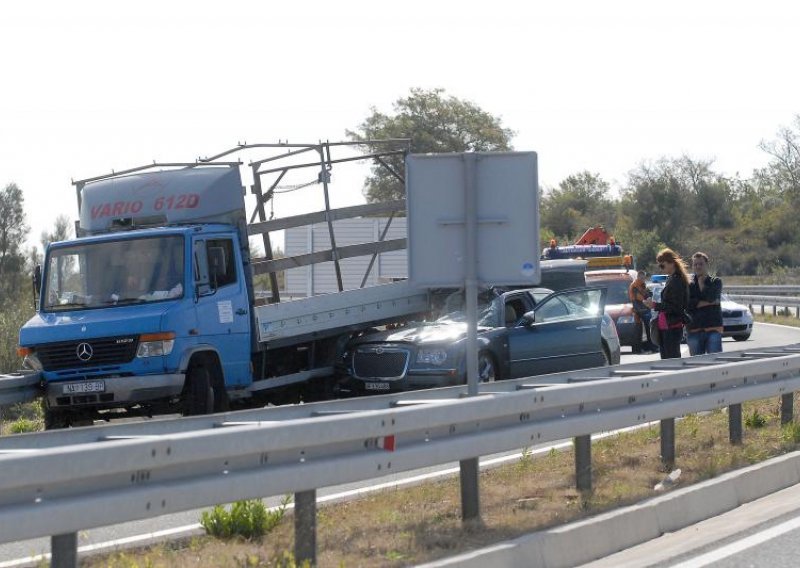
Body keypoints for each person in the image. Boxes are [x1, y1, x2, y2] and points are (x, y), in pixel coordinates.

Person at [645, 248, 690, 359]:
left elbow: (676, 307)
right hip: (666, 326)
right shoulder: (672, 278)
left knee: (671, 361)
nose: (661, 269)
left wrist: (655, 305)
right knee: (667, 361)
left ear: (671, 263)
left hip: (672, 327)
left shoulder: (677, 281)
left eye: (662, 266)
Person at [687, 252, 723, 355]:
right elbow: (688, 305)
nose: (698, 266)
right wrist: (710, 302)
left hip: (713, 329)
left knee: (716, 363)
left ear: (706, 265)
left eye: (701, 264)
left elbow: (711, 298)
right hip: (694, 329)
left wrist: (702, 284)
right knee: (696, 365)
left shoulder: (716, 282)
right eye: (695, 264)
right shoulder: (688, 284)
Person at [629, 269, 657, 353]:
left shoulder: (642, 284)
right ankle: (650, 347)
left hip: (643, 309)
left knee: (647, 329)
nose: (643, 279)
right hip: (641, 309)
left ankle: (648, 346)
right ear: (638, 277)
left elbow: (647, 293)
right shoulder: (634, 285)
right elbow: (636, 299)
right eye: (641, 277)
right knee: (648, 329)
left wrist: (649, 294)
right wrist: (647, 298)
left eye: (644, 278)